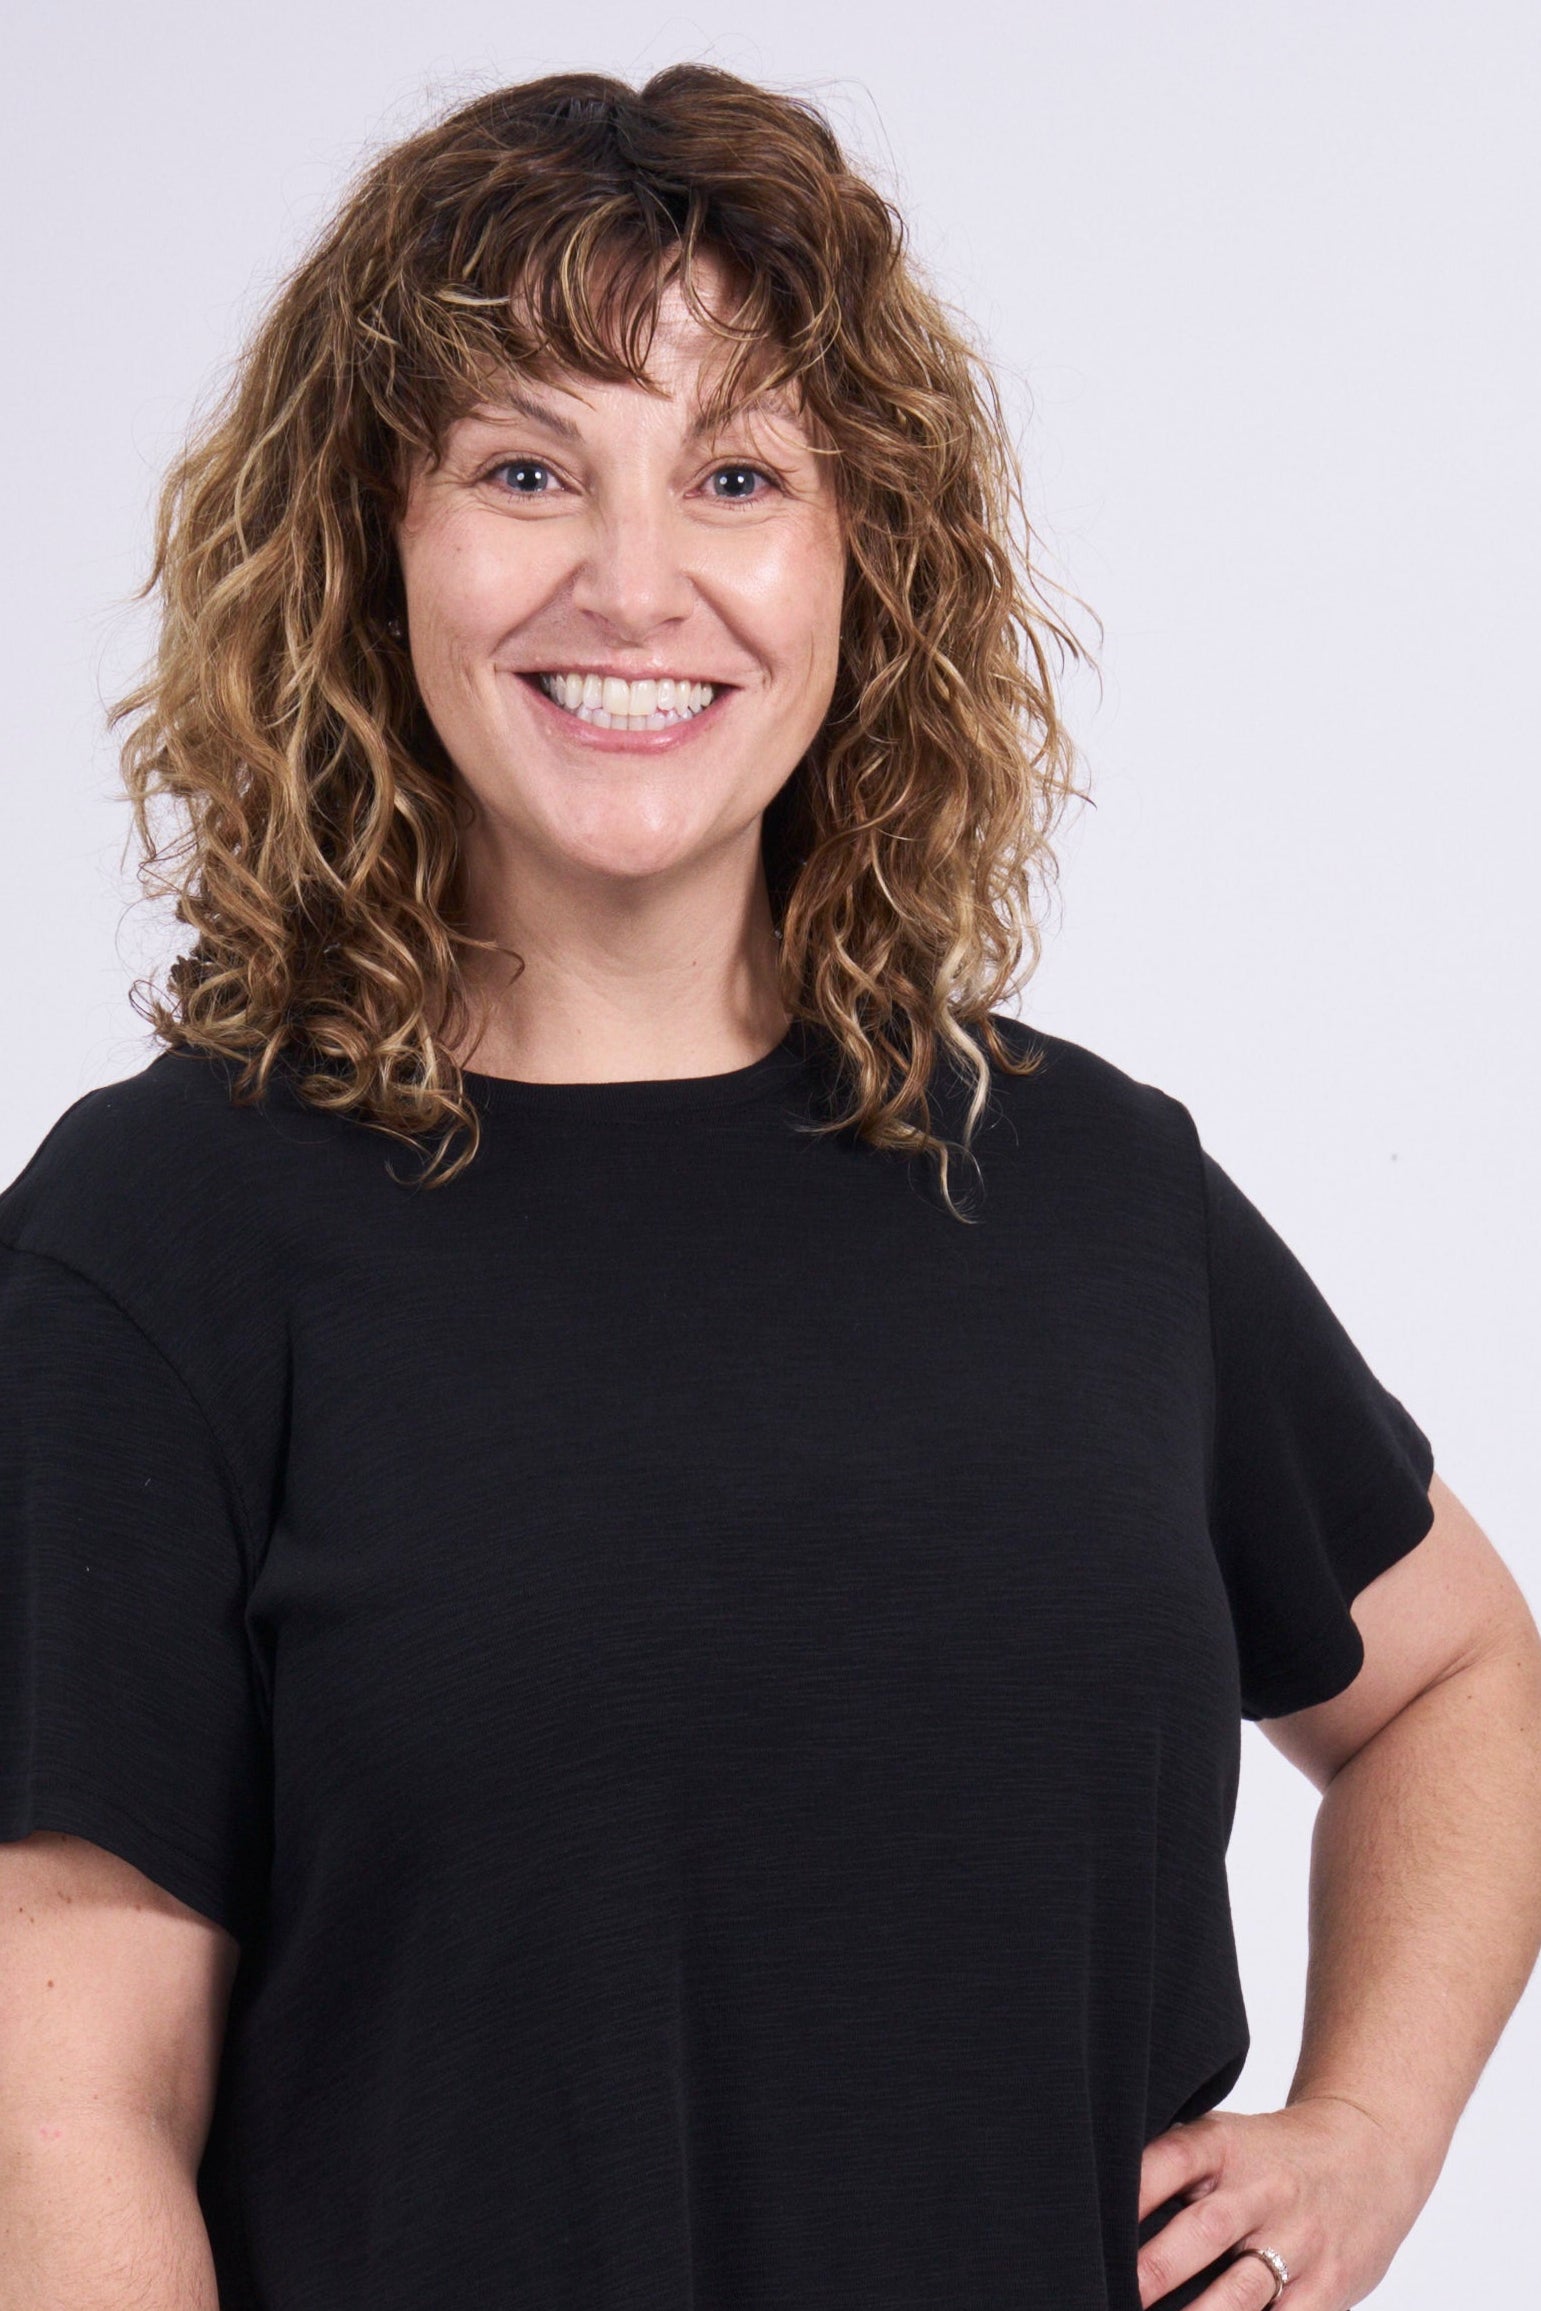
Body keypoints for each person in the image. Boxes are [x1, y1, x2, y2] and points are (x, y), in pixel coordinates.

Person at [0, 64, 1537, 2311]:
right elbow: (67, 2107)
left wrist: (1371, 2136)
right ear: (372, 545)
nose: (637, 582)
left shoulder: (1093, 1188)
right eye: (525, 468)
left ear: (857, 563)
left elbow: (1456, 1676)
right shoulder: (160, 1239)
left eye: (737, 474)